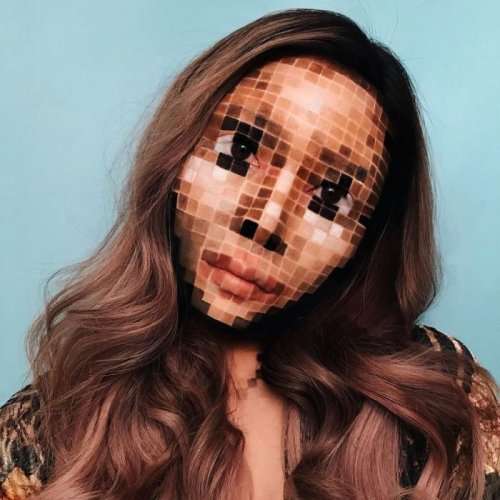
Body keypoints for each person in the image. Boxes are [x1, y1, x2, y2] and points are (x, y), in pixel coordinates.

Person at [0, 7, 498, 500]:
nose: (265, 221)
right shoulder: (42, 435)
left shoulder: (444, 407)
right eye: (239, 151)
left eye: (330, 198)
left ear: (366, 242)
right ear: (177, 157)